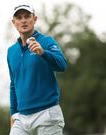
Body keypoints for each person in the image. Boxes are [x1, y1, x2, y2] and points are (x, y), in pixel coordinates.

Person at [7, 4, 67, 135]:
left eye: (27, 16)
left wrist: (43, 53)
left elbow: (62, 65)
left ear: (35, 19)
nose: (23, 20)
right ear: (14, 22)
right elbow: (13, 84)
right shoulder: (11, 52)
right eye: (19, 17)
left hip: (47, 113)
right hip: (21, 118)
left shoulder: (46, 42)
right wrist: (13, 114)